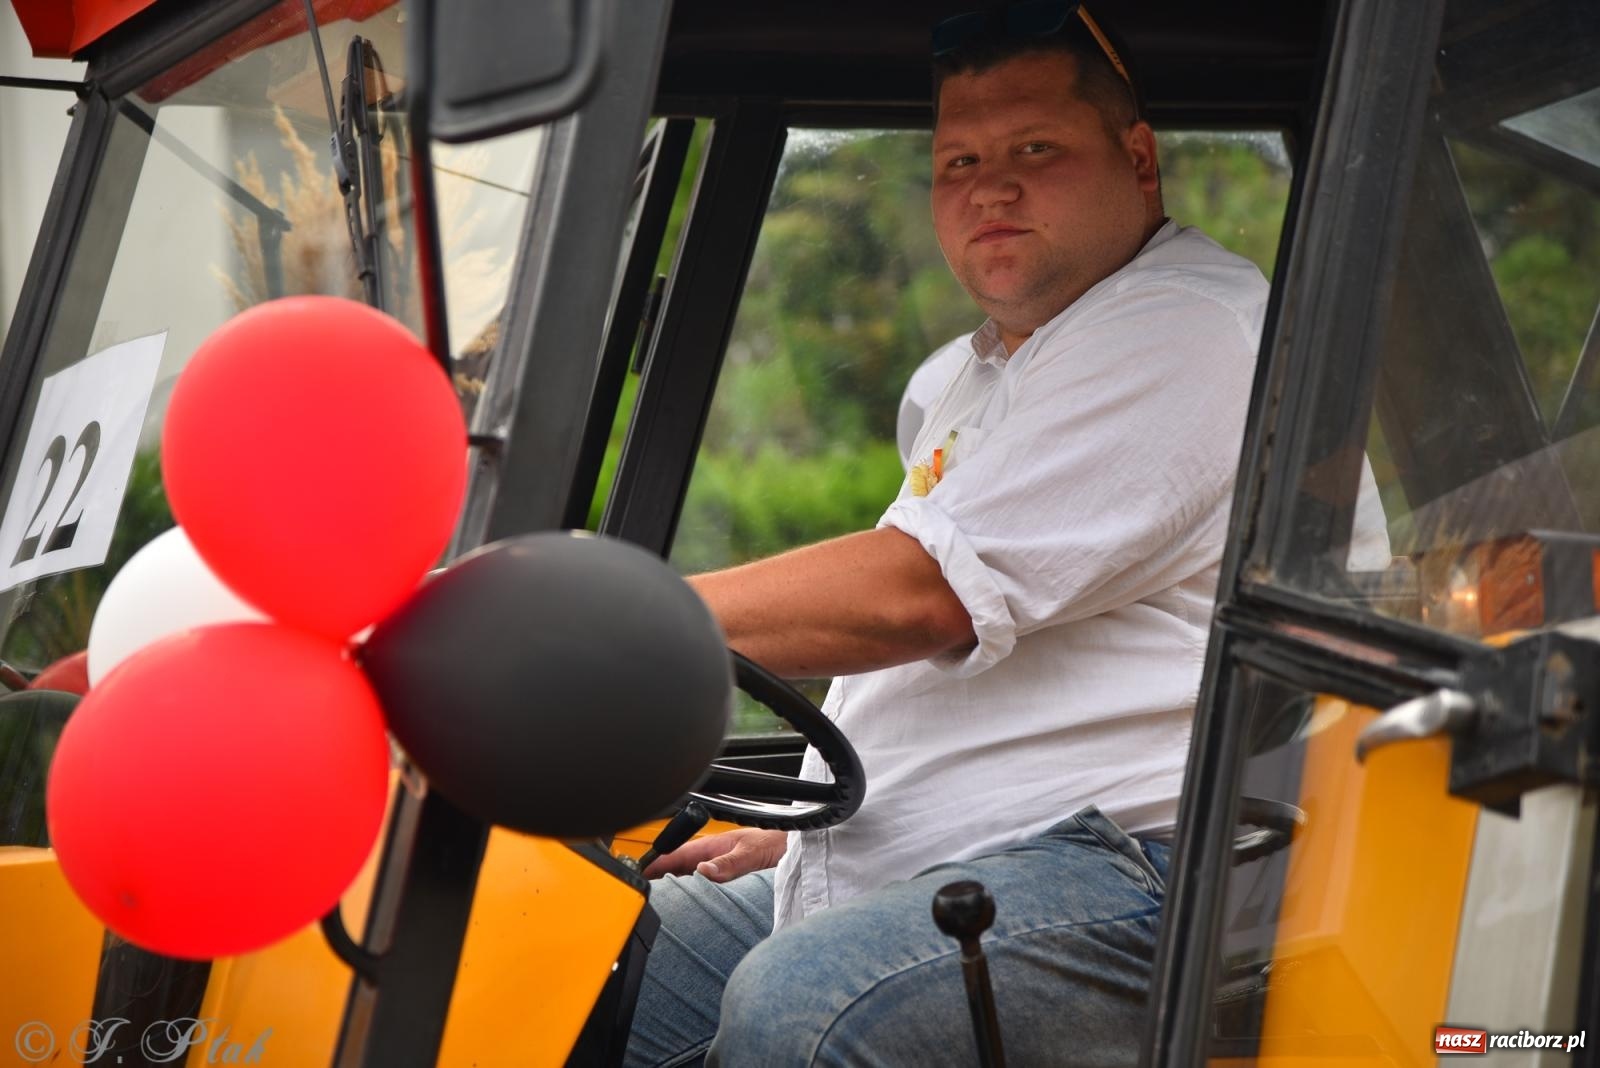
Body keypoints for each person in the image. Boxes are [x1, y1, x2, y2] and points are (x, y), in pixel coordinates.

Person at [625, 6, 1270, 1065]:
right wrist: (803, 839)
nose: (990, 186)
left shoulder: (1184, 331)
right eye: (958, 159)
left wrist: (608, 616)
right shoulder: (984, 370)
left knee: (804, 1009)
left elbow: (916, 596)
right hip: (960, 861)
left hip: (1145, 876)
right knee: (598, 955)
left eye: (1033, 150)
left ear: (1139, 160)